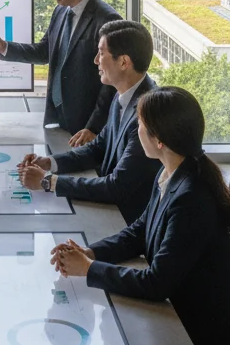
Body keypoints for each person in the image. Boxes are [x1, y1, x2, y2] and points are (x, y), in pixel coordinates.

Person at [50, 86, 230, 345]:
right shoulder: (174, 172)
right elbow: (140, 230)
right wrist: (92, 252)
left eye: (139, 125)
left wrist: (90, 270)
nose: (135, 131)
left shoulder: (191, 198)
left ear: (159, 139)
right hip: (192, 326)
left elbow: (156, 284)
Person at [17, 20, 161, 224]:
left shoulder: (146, 115)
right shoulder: (124, 96)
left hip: (127, 221)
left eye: (101, 53)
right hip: (111, 211)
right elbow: (97, 147)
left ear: (123, 62)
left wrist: (48, 182)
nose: (95, 61)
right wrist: (49, 162)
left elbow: (116, 187)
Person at [0, 0, 119, 144]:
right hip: (59, 120)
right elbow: (45, 51)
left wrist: (93, 127)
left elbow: (112, 82)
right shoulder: (61, 11)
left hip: (86, 127)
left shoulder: (107, 19)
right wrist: (3, 47)